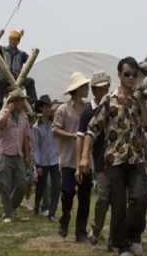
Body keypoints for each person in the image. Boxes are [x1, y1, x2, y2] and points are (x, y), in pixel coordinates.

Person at [80, 57, 147, 256]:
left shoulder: (139, 99)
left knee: (140, 198)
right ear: (119, 75)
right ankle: (122, 247)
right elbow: (92, 130)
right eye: (126, 74)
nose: (130, 78)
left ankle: (134, 237)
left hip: (136, 158)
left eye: (134, 75)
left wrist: (142, 102)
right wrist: (84, 157)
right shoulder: (108, 100)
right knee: (119, 204)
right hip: (114, 159)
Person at [52, 72, 93, 242]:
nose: (87, 89)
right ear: (76, 90)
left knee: (84, 197)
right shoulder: (63, 109)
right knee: (67, 193)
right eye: (84, 87)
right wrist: (72, 135)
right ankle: (65, 219)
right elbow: (55, 129)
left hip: (85, 160)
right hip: (68, 159)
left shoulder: (89, 108)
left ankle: (80, 232)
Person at [76, 71, 113, 249]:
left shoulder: (114, 106)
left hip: (118, 160)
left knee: (120, 200)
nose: (103, 91)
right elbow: (82, 137)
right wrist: (81, 161)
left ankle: (116, 236)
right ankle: (96, 229)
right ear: (93, 90)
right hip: (99, 161)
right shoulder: (88, 111)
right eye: (99, 89)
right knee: (103, 197)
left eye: (106, 88)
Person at [0, 88, 32, 223]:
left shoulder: (24, 116)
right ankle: (7, 213)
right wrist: (8, 111)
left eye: (23, 101)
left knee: (22, 184)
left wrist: (27, 155)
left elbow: (26, 137)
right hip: (5, 153)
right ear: (13, 102)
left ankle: (12, 207)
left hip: (18, 154)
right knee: (5, 185)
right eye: (21, 101)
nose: (23, 103)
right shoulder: (4, 113)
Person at [31, 94, 61, 221]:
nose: (49, 109)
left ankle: (51, 213)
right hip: (42, 161)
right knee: (41, 186)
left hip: (55, 160)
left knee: (56, 186)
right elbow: (35, 147)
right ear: (41, 108)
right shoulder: (36, 127)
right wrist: (37, 165)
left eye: (50, 106)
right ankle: (37, 206)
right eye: (47, 107)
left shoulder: (56, 124)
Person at [0, 29, 37, 106]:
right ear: (9, 40)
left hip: (17, 79)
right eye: (12, 39)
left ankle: (32, 102)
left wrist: (33, 53)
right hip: (5, 79)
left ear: (18, 42)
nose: (13, 41)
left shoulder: (21, 54)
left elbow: (30, 61)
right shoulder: (2, 50)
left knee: (30, 81)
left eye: (15, 40)